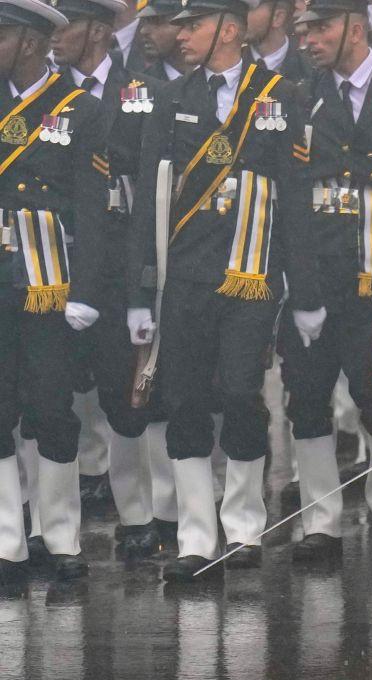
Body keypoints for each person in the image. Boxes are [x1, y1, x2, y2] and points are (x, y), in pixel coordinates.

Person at [128, 0, 308, 582]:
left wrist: (305, 289)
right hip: (186, 274)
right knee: (184, 399)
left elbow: (296, 194)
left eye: (194, 26)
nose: (180, 36)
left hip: (252, 274)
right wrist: (139, 291)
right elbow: (149, 199)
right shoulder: (171, 98)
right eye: (178, 27)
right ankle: (196, 536)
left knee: (239, 392)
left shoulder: (281, 94)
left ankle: (244, 526)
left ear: (229, 30)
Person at [278, 0, 372, 563]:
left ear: (355, 28)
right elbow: (289, 191)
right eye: (304, 29)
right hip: (317, 270)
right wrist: (300, 287)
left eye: (322, 28)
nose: (308, 40)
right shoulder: (298, 95)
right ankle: (321, 521)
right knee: (307, 398)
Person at [52, 0, 168, 558]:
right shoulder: (46, 94)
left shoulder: (141, 90)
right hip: (58, 251)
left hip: (121, 249)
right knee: (52, 389)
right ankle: (49, 523)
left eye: (67, 25)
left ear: (97, 30)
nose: (56, 37)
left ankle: (137, 511)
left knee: (125, 390)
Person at [0, 0, 109, 583]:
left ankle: (61, 535)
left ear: (30, 43)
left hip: (49, 281)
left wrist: (86, 289)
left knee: (51, 407)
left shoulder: (80, 109)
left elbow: (92, 207)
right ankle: (7, 542)